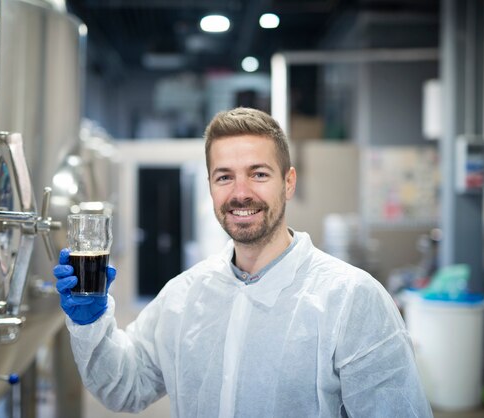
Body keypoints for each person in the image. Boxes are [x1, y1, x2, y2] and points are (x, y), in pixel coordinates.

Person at [53, 107, 433, 417]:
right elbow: (125, 387)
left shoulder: (351, 299)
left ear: (288, 182)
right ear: (211, 187)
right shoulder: (185, 296)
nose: (240, 193)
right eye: (224, 177)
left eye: (259, 174)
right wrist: (90, 323)